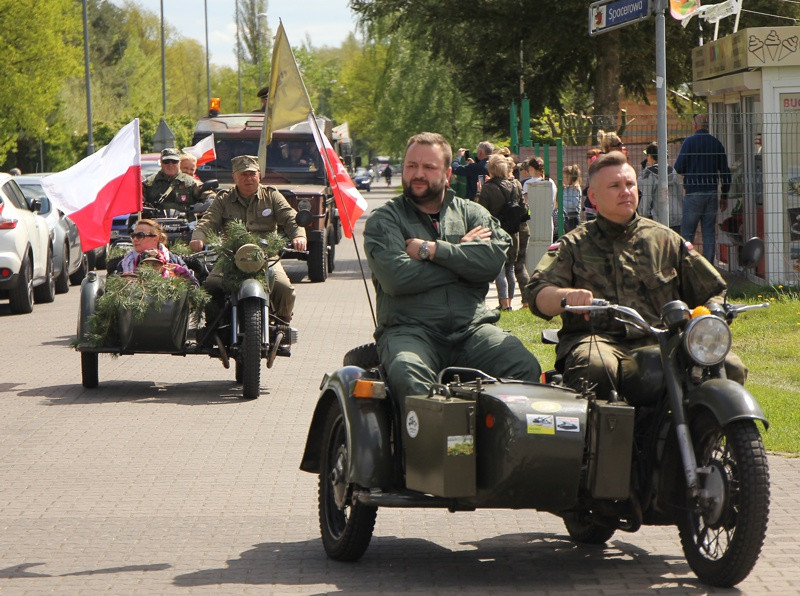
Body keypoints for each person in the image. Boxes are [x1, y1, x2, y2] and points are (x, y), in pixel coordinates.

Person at [524, 151, 745, 399]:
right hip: (599, 340)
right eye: (615, 186)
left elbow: (713, 290)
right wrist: (566, 296)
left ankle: (709, 435)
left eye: (630, 184)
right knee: (595, 366)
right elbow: (537, 292)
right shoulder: (574, 244)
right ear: (593, 196)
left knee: (729, 367)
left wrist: (714, 310)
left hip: (663, 339)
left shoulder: (665, 239)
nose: (625, 191)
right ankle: (601, 436)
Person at [363, 132, 541, 402]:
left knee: (523, 364)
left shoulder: (472, 213)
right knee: (409, 376)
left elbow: (493, 260)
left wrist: (433, 250)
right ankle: (429, 443)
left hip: (472, 329)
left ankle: (499, 442)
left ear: (447, 174)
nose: (418, 173)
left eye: (428, 167)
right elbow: (396, 278)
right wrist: (464, 259)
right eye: (411, 166)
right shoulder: (385, 219)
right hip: (410, 331)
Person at [189, 155, 307, 328]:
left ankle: (283, 324)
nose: (248, 178)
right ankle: (213, 324)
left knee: (284, 288)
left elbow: (290, 218)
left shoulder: (272, 196)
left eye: (252, 174)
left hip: (266, 255)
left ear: (259, 175)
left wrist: (299, 236)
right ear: (234, 177)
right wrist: (198, 238)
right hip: (232, 255)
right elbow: (208, 221)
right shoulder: (223, 199)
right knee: (212, 285)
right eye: (243, 174)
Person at [674, 113, 731, 263]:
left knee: (687, 234)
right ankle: (709, 268)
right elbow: (725, 172)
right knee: (709, 233)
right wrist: (724, 195)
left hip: (693, 192)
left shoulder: (689, 142)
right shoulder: (716, 143)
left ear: (695, 126)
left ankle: (687, 265)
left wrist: (691, 170)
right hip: (711, 193)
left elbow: (678, 167)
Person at [477, 153, 523, 311]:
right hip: (514, 231)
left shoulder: (488, 188)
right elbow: (524, 209)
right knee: (510, 267)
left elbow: (481, 212)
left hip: (496, 232)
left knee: (499, 268)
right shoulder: (516, 184)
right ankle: (509, 302)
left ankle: (503, 303)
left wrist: (478, 192)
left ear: (491, 169)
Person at [116, 219, 198, 286]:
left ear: (156, 238)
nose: (135, 239)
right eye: (133, 235)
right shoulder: (124, 263)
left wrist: (182, 273)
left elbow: (195, 288)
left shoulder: (174, 260)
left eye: (140, 235)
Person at [142, 148, 214, 213]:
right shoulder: (149, 183)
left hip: (186, 224)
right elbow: (136, 200)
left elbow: (208, 194)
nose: (170, 165)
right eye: (166, 161)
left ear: (179, 163)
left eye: (174, 161)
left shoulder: (191, 183)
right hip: (155, 225)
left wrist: (209, 200)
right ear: (161, 162)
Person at [637, 141, 683, 233]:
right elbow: (680, 195)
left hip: (658, 219)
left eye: (647, 156)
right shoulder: (672, 171)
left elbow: (647, 198)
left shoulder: (649, 173)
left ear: (650, 156)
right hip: (676, 218)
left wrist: (642, 217)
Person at [523, 156, 558, 241]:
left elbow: (526, 202)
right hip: (547, 219)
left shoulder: (528, 183)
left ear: (531, 168)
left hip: (532, 219)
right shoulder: (550, 182)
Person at [562, 164, 582, 233]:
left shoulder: (575, 188)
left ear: (569, 177)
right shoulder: (566, 188)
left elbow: (574, 204)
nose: (563, 178)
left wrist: (561, 202)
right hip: (566, 216)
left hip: (573, 217)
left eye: (564, 176)